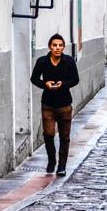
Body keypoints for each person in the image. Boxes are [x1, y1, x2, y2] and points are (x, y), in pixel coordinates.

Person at [30, 33, 80, 176]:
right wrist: (45, 84)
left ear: (63, 47)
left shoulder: (69, 61)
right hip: (48, 104)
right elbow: (34, 79)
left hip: (64, 104)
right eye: (54, 45)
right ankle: (52, 160)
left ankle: (62, 165)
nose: (57, 48)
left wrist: (63, 84)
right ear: (50, 47)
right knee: (49, 134)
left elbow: (75, 79)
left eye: (60, 45)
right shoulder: (42, 62)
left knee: (64, 136)